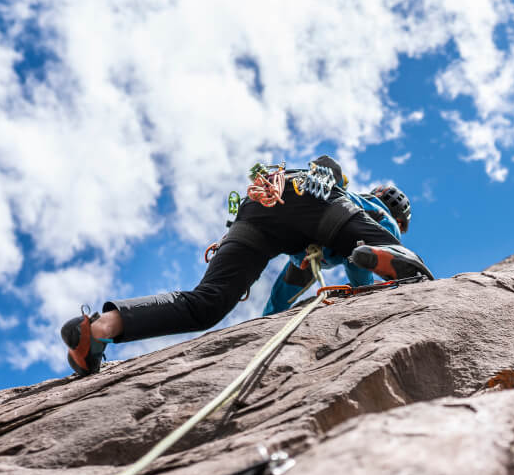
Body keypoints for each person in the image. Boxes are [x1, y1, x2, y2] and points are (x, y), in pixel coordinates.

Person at [60, 155, 433, 377]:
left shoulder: (313, 250)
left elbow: (289, 283)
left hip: (260, 210)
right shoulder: (373, 209)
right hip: (323, 207)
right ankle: (404, 263)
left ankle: (98, 329)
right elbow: (362, 267)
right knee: (411, 270)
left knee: (205, 304)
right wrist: (375, 267)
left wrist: (269, 319)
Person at [261, 183, 410, 315]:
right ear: (400, 221)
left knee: (280, 297)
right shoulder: (387, 222)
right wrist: (363, 288)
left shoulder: (350, 198)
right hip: (328, 243)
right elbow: (361, 256)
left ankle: (264, 323)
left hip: (306, 237)